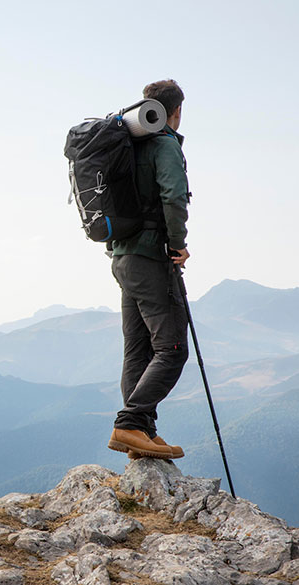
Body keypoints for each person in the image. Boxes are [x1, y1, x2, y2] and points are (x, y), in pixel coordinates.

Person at [106, 79, 191, 460]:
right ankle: (130, 423)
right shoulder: (163, 144)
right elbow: (173, 196)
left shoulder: (127, 143)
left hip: (123, 258)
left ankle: (142, 433)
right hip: (152, 258)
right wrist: (178, 244)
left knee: (138, 350)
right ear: (175, 111)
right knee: (172, 348)